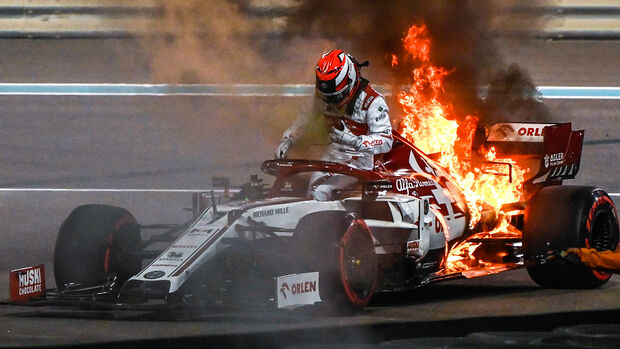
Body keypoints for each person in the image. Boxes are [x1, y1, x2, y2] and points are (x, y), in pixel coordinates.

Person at [274, 50, 393, 201]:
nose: (330, 102)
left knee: (320, 191)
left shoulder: (373, 101)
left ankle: (328, 223)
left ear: (350, 81)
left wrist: (353, 140)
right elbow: (304, 120)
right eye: (326, 96)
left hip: (359, 160)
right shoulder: (323, 96)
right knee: (299, 187)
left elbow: (386, 140)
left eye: (335, 97)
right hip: (331, 156)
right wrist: (287, 140)